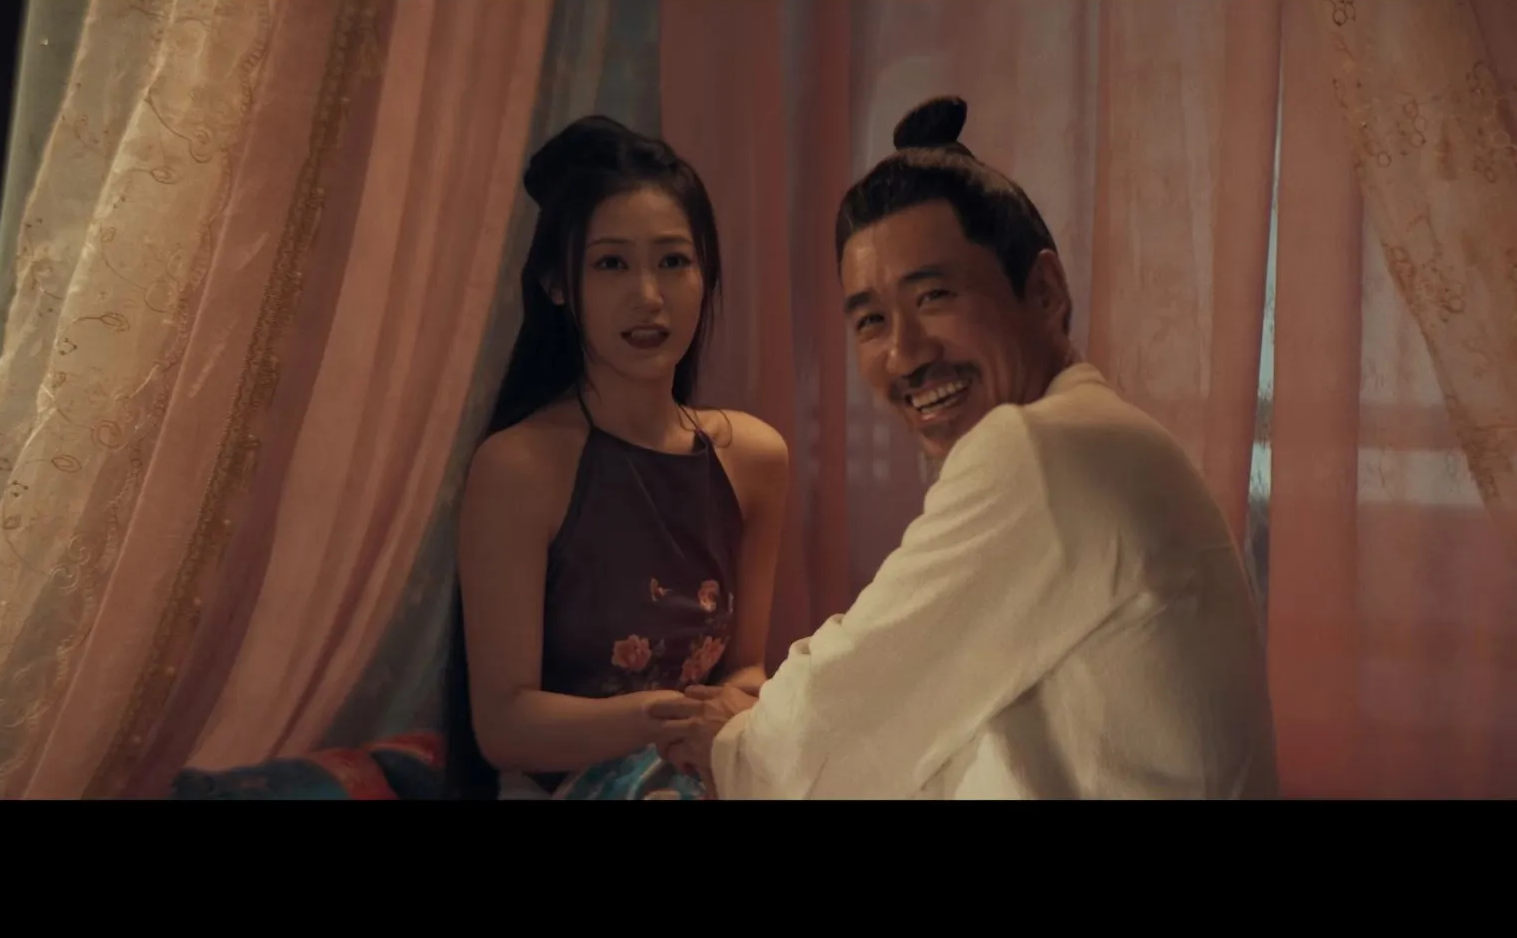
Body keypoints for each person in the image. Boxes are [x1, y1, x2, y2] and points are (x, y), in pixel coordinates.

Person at [655, 96, 1279, 799]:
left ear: (1044, 291)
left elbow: (855, 698)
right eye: (871, 321)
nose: (904, 354)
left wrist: (737, 742)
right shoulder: (1098, 433)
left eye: (934, 298)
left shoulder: (1043, 449)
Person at [448, 114, 789, 800]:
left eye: (673, 261)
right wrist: (667, 717)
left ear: (705, 273)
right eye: (611, 264)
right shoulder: (519, 468)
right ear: (558, 283)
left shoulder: (754, 457)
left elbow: (746, 670)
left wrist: (733, 710)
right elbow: (505, 725)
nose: (649, 297)